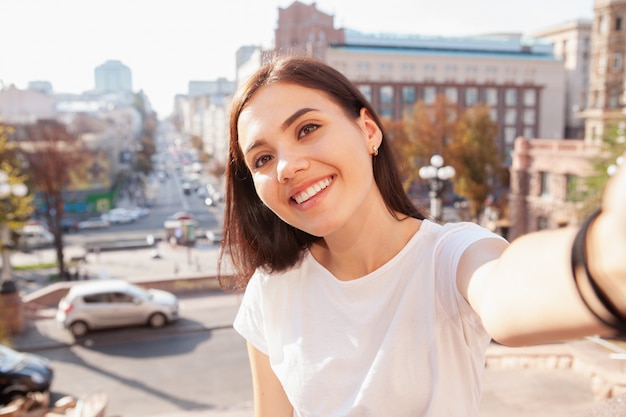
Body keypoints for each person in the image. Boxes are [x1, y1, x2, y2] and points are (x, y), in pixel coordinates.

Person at [218, 55, 626, 417]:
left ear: (368, 131)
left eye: (307, 128)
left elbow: (503, 293)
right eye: (263, 158)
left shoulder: (448, 257)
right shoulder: (272, 290)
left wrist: (603, 256)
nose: (287, 166)